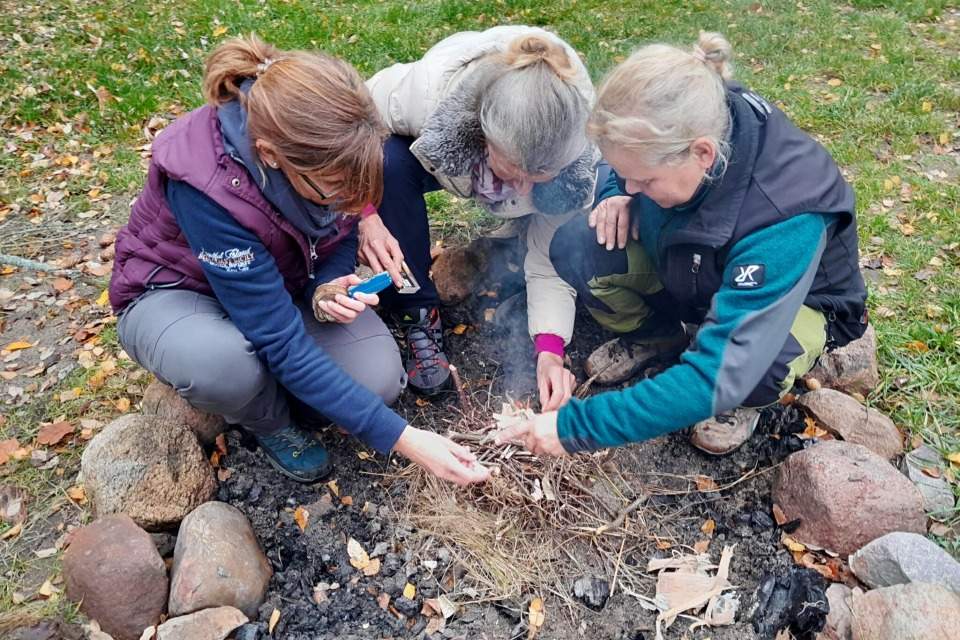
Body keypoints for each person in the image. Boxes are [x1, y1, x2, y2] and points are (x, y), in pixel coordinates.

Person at [109, 35, 490, 486]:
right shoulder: (206, 188)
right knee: (225, 364)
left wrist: (324, 287)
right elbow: (279, 340)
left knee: (379, 379)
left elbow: (342, 229)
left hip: (277, 283)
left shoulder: (320, 145)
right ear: (270, 156)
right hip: (178, 290)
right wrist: (406, 440)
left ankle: (286, 387)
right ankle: (268, 421)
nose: (346, 204)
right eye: (334, 192)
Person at [496, 32, 868, 457]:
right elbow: (623, 172)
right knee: (580, 243)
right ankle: (660, 337)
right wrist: (614, 193)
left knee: (755, 365)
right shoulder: (685, 109)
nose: (633, 187)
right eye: (626, 173)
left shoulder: (786, 213)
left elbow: (719, 372)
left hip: (795, 300)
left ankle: (743, 404)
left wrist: (575, 427)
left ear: (703, 154)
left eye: (645, 180)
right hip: (693, 258)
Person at [360, 25, 599, 409]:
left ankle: (509, 240)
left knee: (555, 214)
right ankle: (415, 309)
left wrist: (550, 348)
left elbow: (549, 260)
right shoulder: (427, 94)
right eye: (514, 174)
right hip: (435, 138)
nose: (523, 189)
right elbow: (349, 121)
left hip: (529, 150)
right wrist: (366, 213)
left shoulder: (573, 157)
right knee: (387, 162)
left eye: (537, 179)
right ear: (485, 138)